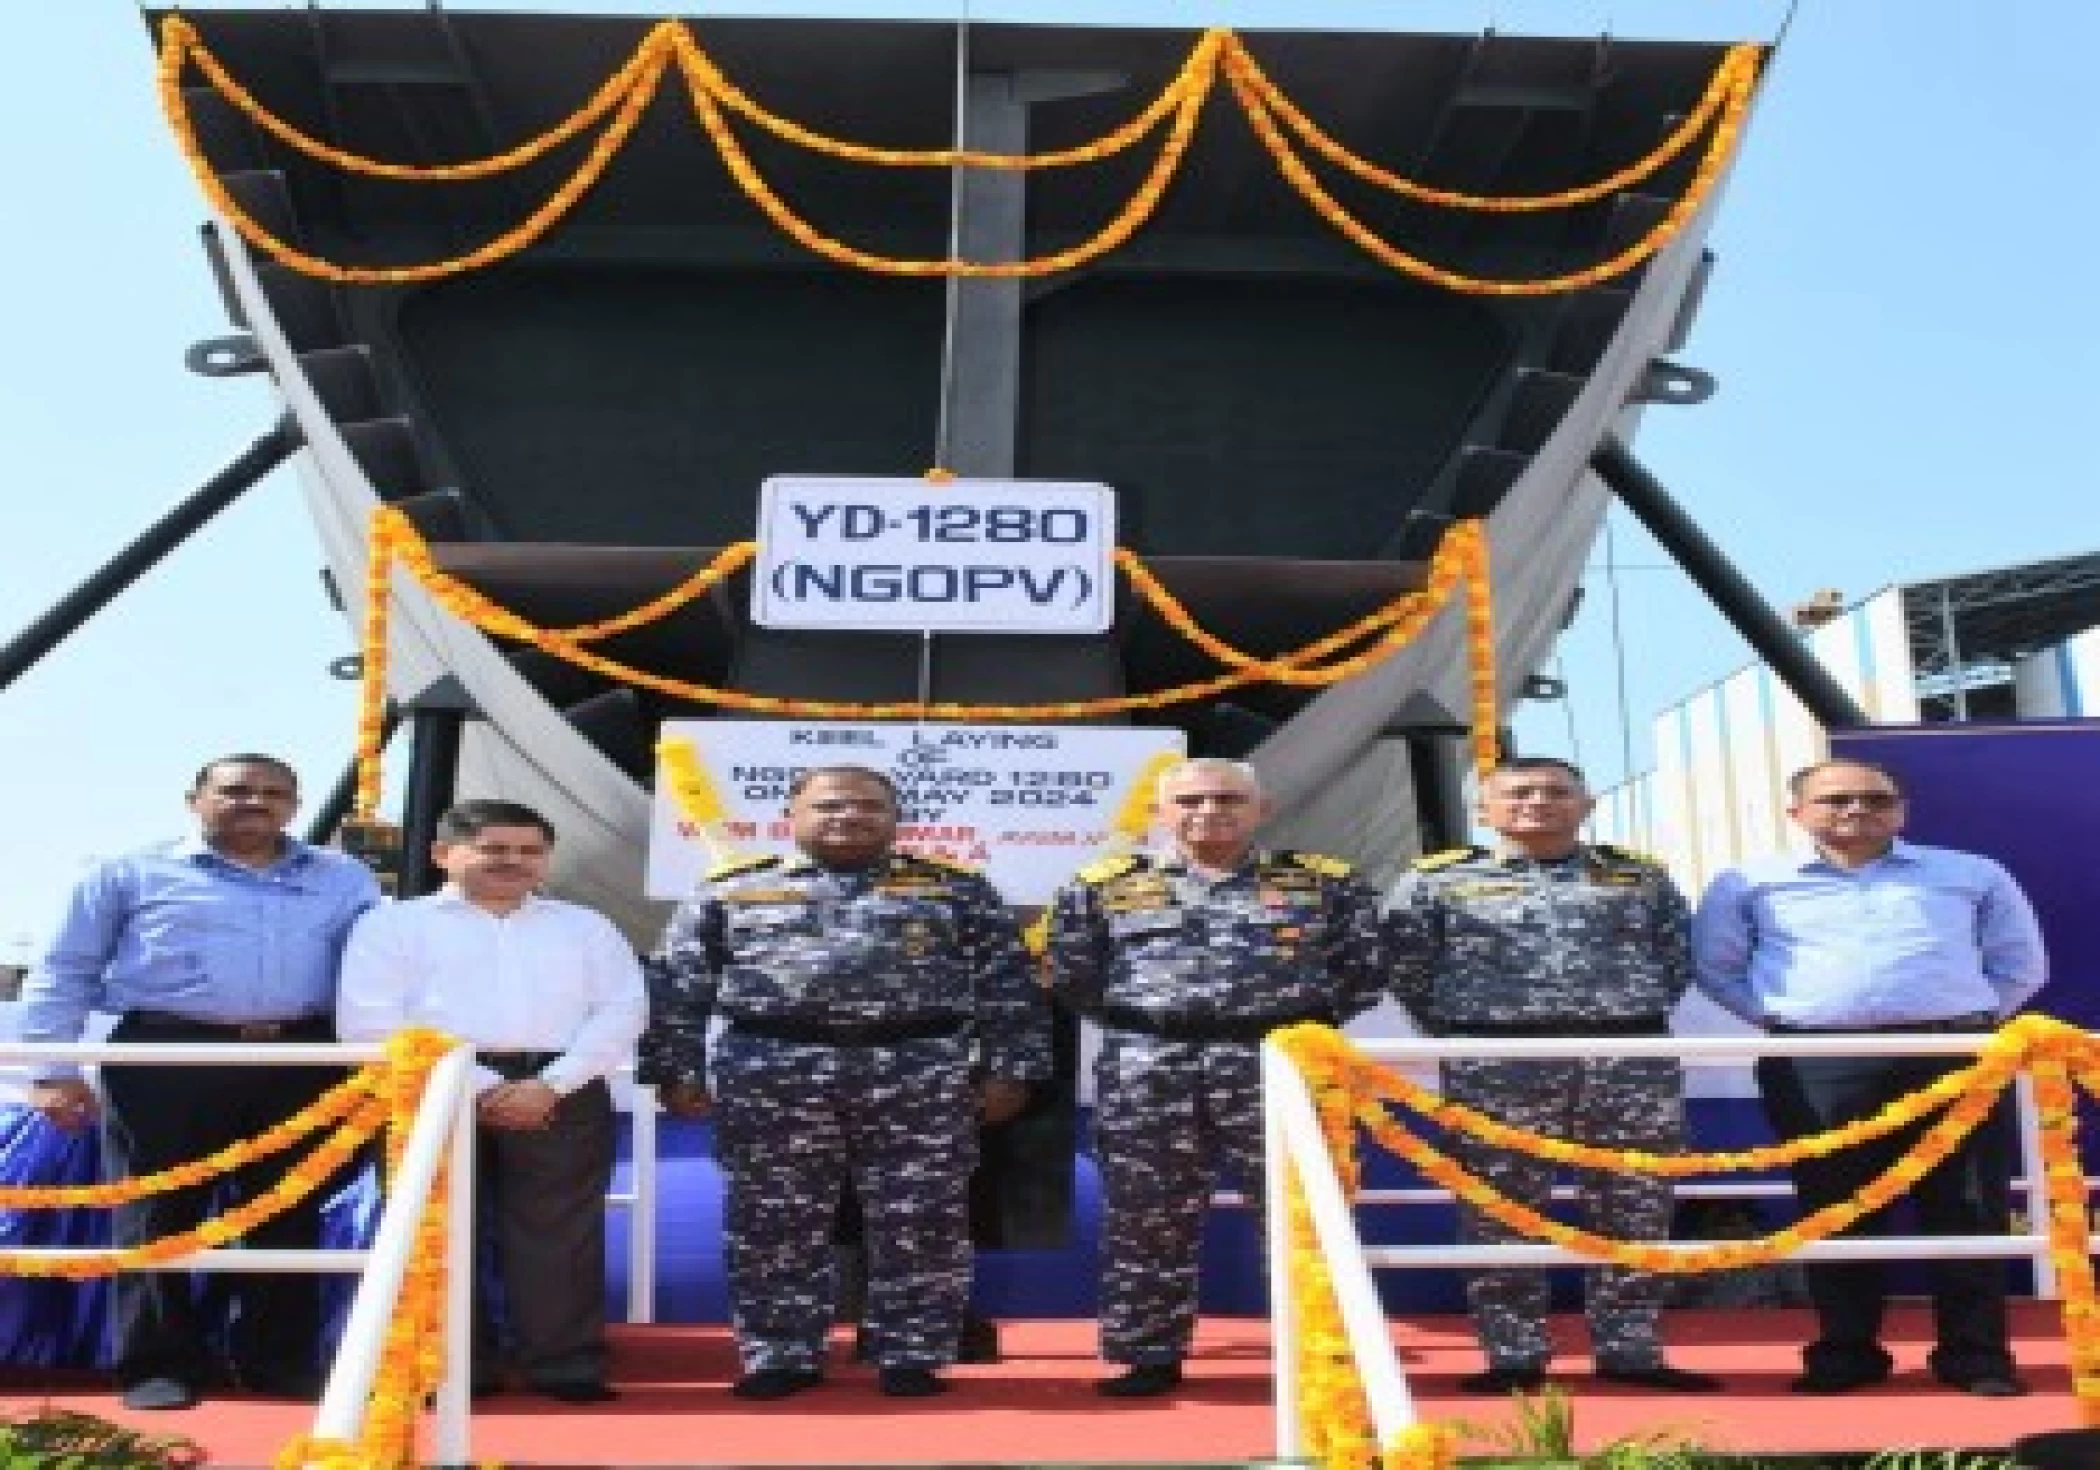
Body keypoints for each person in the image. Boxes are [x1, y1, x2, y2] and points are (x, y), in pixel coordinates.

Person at [640, 765, 1051, 1402]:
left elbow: (1008, 988)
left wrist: (1011, 1070)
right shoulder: (731, 889)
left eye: (867, 807)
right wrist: (677, 1069)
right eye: (830, 806)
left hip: (918, 1070)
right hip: (773, 1070)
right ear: (793, 815)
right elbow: (678, 989)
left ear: (895, 819)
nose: (849, 817)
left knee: (923, 1217)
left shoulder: (954, 890)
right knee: (771, 1220)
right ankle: (780, 1353)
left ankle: (912, 1350)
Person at [18, 754, 381, 1410]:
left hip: (302, 1058)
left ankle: (277, 1361)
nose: (255, 802)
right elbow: (65, 968)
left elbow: (381, 966)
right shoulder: (129, 872)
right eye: (236, 790)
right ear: (195, 800)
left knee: (290, 1210)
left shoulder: (345, 878)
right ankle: (157, 1365)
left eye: (273, 793)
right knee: (157, 1211)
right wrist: (52, 1070)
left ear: (294, 807)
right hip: (167, 1056)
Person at [1692, 757, 2047, 1398]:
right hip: (1818, 1065)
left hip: (1953, 1055)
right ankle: (1845, 1356)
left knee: (1968, 1206)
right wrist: (1789, 1019)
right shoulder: (1749, 881)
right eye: (1836, 801)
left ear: (1900, 810)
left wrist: (1959, 1023)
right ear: (1796, 812)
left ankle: (1976, 1358)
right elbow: (1717, 970)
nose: (1857, 810)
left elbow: (2021, 965)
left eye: (1874, 799)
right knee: (1835, 1209)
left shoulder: (1969, 873)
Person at [1044, 757, 1387, 1398]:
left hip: (1282, 1061)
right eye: (1192, 801)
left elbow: (1363, 972)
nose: (1210, 812)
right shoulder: (1102, 886)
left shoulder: (1326, 885)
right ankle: (1146, 1352)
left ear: (1263, 808)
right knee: (1147, 1216)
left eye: (1229, 799)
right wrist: (1163, 1021)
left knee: (1304, 1213)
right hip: (1151, 1065)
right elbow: (1073, 976)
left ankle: (1320, 1351)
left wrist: (1282, 1018)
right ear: (1162, 813)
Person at [1385, 756, 1719, 1395]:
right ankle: (1513, 1355)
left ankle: (1631, 1350)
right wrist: (1473, 1038)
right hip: (1496, 1063)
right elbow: (1410, 970)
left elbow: (1674, 960)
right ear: (1484, 811)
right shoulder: (1437, 882)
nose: (1538, 802)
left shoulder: (1638, 878)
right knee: (1498, 1210)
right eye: (1519, 793)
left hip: (1627, 1059)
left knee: (1634, 1207)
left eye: (1557, 791)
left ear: (1587, 805)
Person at [335, 798, 646, 1403]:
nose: (513, 862)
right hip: (431, 1088)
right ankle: (453, 1369)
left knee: (560, 1233)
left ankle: (564, 1364)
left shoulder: (585, 926)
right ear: (442, 854)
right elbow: (370, 1022)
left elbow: (623, 1009)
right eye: (494, 849)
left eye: (530, 851)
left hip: (561, 1088)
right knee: (437, 1231)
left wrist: (549, 1085)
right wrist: (479, 1085)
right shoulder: (392, 925)